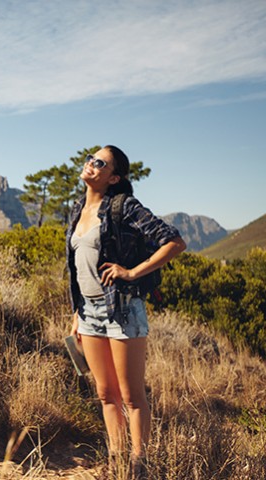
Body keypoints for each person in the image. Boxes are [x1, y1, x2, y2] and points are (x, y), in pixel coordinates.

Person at [66, 145, 186, 478]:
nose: (91, 164)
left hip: (122, 311)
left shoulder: (123, 206)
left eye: (100, 163)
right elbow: (78, 268)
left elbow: (174, 241)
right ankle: (116, 459)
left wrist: (133, 273)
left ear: (113, 177)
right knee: (106, 394)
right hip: (88, 314)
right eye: (91, 158)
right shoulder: (77, 209)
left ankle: (139, 464)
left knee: (131, 396)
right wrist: (77, 311)